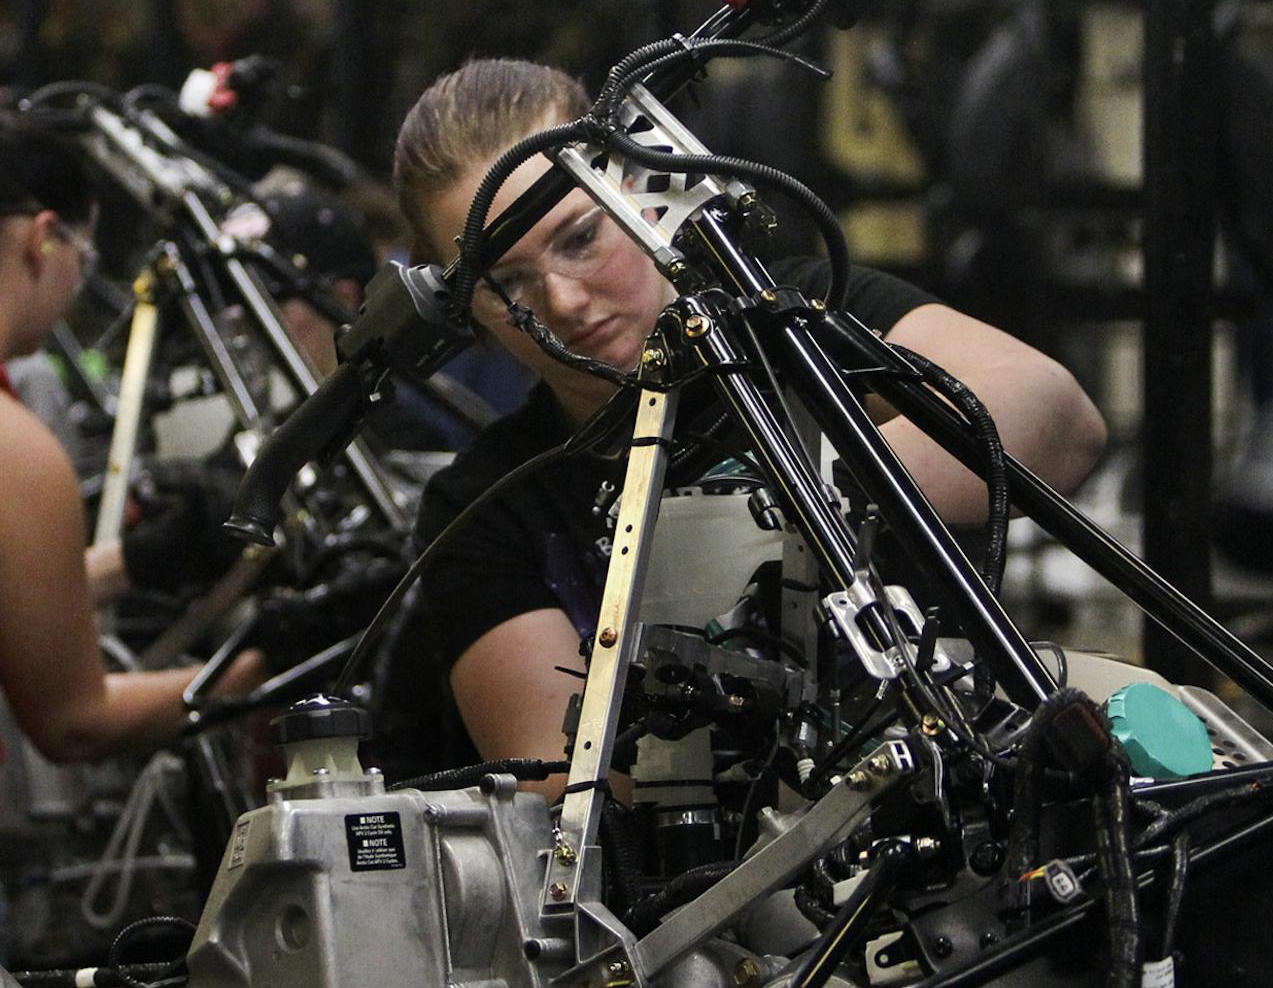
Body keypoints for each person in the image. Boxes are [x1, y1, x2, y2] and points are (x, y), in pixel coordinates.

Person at [396, 58, 1108, 793]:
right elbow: (562, 790)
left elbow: (1057, 419)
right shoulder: (485, 509)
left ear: (647, 192)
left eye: (581, 240)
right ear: (456, 310)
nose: (565, 302)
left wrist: (786, 508)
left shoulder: (801, 322)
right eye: (506, 284)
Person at [0, 120, 255, 764]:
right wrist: (272, 666)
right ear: (42, 242)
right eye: (83, 263)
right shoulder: (15, 451)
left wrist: (132, 563)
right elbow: (76, 723)